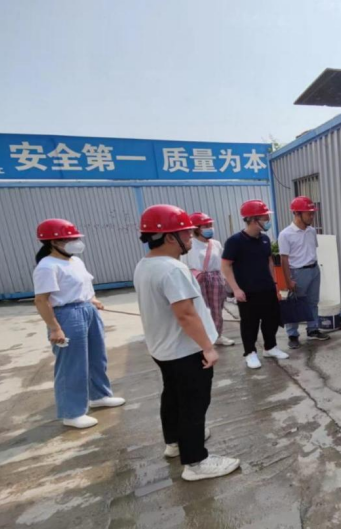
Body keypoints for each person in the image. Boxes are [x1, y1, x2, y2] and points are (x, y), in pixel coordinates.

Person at [134, 204, 240, 481]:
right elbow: (185, 314)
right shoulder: (173, 269)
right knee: (194, 403)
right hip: (185, 350)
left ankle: (174, 442)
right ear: (170, 237)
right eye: (186, 233)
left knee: (172, 396)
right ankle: (195, 462)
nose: (191, 237)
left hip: (163, 348)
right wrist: (207, 347)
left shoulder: (145, 264)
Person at [32, 219, 125, 429]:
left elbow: (85, 286)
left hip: (87, 309)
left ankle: (99, 395)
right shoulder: (47, 266)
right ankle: (72, 412)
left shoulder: (75, 261)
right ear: (54, 242)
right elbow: (41, 300)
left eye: (75, 238)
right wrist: (55, 328)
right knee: (72, 364)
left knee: (96, 356)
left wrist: (92, 299)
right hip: (66, 315)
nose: (75, 242)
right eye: (70, 239)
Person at [221, 200, 287, 369]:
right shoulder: (235, 241)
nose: (267, 221)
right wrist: (236, 289)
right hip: (247, 291)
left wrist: (275, 283)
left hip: (267, 288)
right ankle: (250, 353)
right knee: (250, 323)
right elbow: (226, 266)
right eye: (265, 218)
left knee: (271, 319)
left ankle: (270, 347)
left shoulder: (264, 239)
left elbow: (269, 261)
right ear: (252, 219)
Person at [278, 196, 331, 349]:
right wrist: (288, 280)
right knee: (295, 304)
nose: (312, 216)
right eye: (309, 213)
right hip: (298, 272)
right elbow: (284, 259)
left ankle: (313, 329)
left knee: (313, 302)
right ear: (297, 213)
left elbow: (312, 249)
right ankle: (292, 334)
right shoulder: (286, 234)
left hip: (314, 269)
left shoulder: (311, 231)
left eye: (313, 213)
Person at [183, 212, 235, 347]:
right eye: (205, 226)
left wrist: (227, 281)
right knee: (200, 310)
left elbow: (223, 263)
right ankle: (202, 338)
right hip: (197, 279)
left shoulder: (216, 244)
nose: (210, 228)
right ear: (196, 229)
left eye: (210, 225)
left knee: (217, 309)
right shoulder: (189, 244)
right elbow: (184, 264)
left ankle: (217, 335)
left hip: (216, 279)